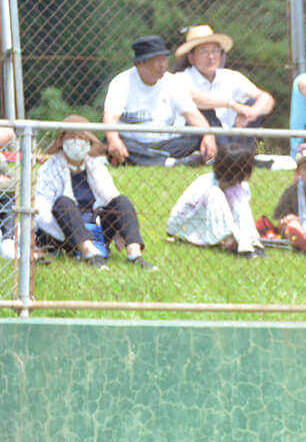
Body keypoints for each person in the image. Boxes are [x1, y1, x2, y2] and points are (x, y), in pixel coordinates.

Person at [33, 115, 154, 269]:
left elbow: (111, 199)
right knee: (63, 202)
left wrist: (118, 232)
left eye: (81, 137)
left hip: (95, 228)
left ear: (88, 142)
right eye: (71, 136)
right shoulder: (48, 169)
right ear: (62, 141)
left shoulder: (96, 168)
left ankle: (135, 255)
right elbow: (42, 210)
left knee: (122, 201)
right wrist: (74, 232)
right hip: (63, 232)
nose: (76, 141)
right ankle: (90, 254)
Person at [102, 35, 215, 166]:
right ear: (140, 63)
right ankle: (172, 162)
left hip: (166, 143)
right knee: (111, 139)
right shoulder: (121, 82)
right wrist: (113, 139)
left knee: (196, 137)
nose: (163, 65)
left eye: (164, 59)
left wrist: (208, 135)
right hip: (133, 143)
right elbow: (110, 117)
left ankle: (153, 159)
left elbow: (192, 114)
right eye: (157, 60)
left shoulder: (171, 81)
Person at [165, 143, 261, 257]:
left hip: (218, 224)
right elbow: (179, 213)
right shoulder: (205, 184)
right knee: (216, 194)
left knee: (240, 198)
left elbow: (241, 213)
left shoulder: (241, 187)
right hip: (190, 227)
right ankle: (230, 242)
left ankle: (251, 240)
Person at [175, 25, 274, 130]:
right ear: (191, 58)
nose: (211, 57)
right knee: (206, 112)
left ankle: (239, 146)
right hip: (201, 137)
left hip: (231, 135)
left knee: (254, 103)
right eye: (204, 52)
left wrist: (251, 113)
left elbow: (267, 98)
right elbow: (194, 98)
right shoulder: (180, 78)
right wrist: (232, 105)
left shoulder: (230, 76)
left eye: (215, 50)